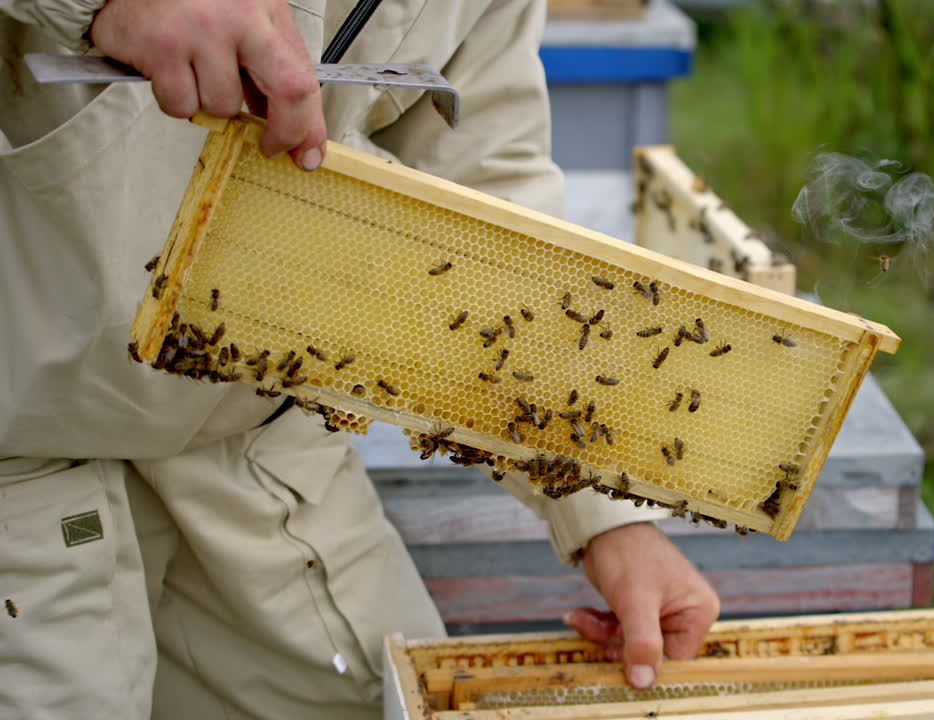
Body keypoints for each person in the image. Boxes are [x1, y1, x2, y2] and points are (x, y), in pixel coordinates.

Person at [0, 1, 721, 718]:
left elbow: (485, 204)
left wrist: (603, 513)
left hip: (253, 431)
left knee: (390, 699)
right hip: (21, 448)